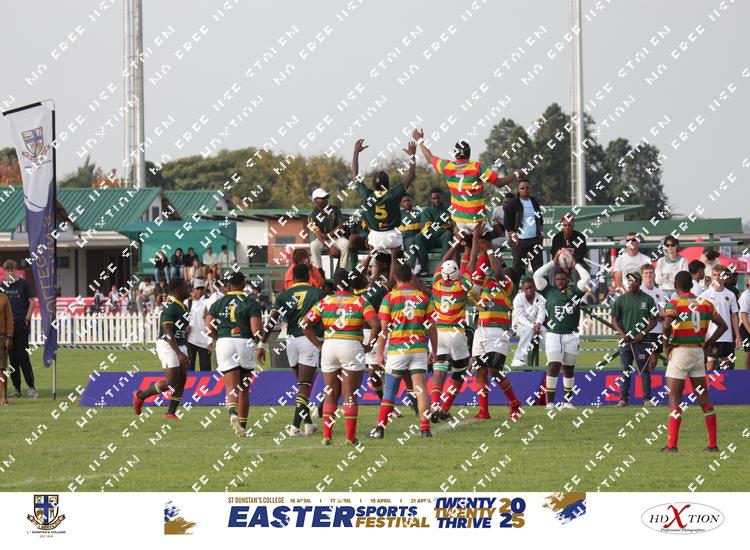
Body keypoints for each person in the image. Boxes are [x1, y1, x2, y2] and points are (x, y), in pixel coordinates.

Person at [414, 130, 522, 275]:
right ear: (469, 154)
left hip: (460, 220)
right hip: (476, 220)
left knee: (466, 247)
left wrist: (420, 140)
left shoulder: (447, 166)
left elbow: (429, 157)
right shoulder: (477, 167)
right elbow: (499, 182)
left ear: (455, 154)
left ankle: (458, 276)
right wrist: (517, 174)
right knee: (487, 249)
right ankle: (491, 280)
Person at [303, 268, 380, 445]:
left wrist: (318, 345)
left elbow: (305, 324)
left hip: (329, 346)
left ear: (335, 284)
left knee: (330, 392)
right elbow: (376, 325)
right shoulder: (360, 301)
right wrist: (370, 345)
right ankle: (350, 437)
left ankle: (327, 436)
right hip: (352, 345)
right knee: (350, 394)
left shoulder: (325, 301)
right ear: (351, 283)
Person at [661, 271, 727, 453]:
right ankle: (712, 445)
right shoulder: (705, 303)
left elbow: (666, 325)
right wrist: (709, 343)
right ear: (691, 285)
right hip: (698, 354)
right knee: (704, 399)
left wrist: (666, 345)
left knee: (675, 399)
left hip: (680, 353)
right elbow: (723, 325)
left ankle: (672, 446)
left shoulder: (675, 303)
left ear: (676, 286)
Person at [370, 262, 438, 439]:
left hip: (398, 350)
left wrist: (379, 353)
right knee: (421, 390)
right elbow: (432, 328)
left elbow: (384, 331)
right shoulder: (423, 298)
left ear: (394, 277)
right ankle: (425, 429)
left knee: (390, 391)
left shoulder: (389, 298)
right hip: (419, 348)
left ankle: (380, 429)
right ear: (411, 277)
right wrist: (434, 351)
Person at [259, 263, 327, 437]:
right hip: (309, 339)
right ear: (309, 276)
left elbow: (272, 321)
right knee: (304, 386)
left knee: (301, 385)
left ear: (293, 277)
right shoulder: (318, 293)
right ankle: (295, 427)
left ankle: (308, 424)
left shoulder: (284, 295)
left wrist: (261, 344)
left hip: (290, 341)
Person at [427, 231, 479, 422]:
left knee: (439, 371)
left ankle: (434, 405)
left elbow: (443, 260)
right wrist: (475, 238)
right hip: (456, 332)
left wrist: (456, 242)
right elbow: (472, 262)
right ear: (457, 274)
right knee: (459, 372)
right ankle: (445, 408)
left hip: (438, 333)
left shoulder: (436, 283)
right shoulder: (461, 285)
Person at [469, 235, 523, 420]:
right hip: (481, 331)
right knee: (480, 370)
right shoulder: (487, 284)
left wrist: (490, 249)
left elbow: (498, 273)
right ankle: (483, 411)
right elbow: (479, 271)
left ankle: (514, 403)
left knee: (495, 370)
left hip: (498, 333)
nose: (501, 272)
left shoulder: (508, 287)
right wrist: (481, 248)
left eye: (507, 272)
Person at [205, 272, 263, 437]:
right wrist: (259, 344)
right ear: (243, 284)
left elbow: (208, 328)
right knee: (244, 389)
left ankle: (232, 413)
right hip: (244, 342)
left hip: (225, 343)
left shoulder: (218, 303)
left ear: (228, 285)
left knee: (231, 387)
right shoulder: (251, 303)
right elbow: (256, 331)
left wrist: (219, 337)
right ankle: (243, 426)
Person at [533, 251, 592, 409]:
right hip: (553, 334)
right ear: (554, 280)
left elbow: (587, 278)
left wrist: (576, 264)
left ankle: (567, 402)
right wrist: (553, 262)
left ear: (568, 279)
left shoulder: (575, 292)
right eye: (557, 279)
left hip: (571, 335)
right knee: (553, 366)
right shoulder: (549, 291)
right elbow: (537, 275)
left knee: (568, 369)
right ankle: (550, 402)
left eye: (563, 279)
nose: (560, 281)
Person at [132, 278, 191, 420]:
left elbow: (181, 330)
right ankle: (140, 396)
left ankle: (170, 413)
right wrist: (179, 353)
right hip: (168, 344)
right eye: (185, 287)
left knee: (182, 379)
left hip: (180, 344)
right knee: (171, 382)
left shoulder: (183, 306)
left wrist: (185, 347)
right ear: (177, 289)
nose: (188, 289)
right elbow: (168, 332)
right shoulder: (170, 307)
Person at [352, 139, 416, 262]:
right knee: (396, 261)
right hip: (392, 235)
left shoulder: (367, 195)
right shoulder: (393, 194)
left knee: (374, 261)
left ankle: (365, 271)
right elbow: (411, 174)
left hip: (375, 236)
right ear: (388, 183)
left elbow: (355, 177)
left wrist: (355, 152)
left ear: (373, 184)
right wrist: (412, 155)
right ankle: (395, 271)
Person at [611, 271, 658, 407]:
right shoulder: (621, 299)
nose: (630, 283)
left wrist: (642, 333)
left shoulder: (648, 299)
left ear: (639, 282)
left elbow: (654, 320)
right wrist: (622, 334)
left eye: (634, 281)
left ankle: (647, 399)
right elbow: (614, 319)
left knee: (644, 370)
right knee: (625, 370)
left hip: (643, 340)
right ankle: (623, 399)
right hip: (626, 341)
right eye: (629, 281)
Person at [0, 261, 36, 398]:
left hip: (21, 323)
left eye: (12, 270)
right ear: (4, 272)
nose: (10, 273)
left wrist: (27, 318)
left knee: (23, 357)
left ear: (16, 271)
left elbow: (32, 301)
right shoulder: (2, 286)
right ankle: (17, 388)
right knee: (12, 359)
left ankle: (31, 387)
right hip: (8, 328)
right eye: (7, 271)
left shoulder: (24, 284)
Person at [700, 266, 741, 371]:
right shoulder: (705, 295)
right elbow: (700, 316)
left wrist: (737, 335)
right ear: (711, 276)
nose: (717, 277)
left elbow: (734, 316)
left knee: (727, 367)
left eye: (720, 275)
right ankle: (709, 382)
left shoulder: (730, 295)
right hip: (711, 336)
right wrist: (702, 334)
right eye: (714, 275)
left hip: (727, 337)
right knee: (711, 365)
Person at [504, 179, 544, 279]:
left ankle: (539, 289)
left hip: (535, 240)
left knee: (538, 270)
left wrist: (541, 234)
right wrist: (514, 237)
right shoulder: (514, 204)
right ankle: (514, 289)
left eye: (527, 188)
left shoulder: (534, 202)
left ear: (530, 189)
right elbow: (507, 222)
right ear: (518, 190)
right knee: (517, 270)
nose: (525, 190)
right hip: (520, 242)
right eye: (522, 188)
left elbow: (540, 219)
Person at [412, 188, 453, 277]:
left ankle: (444, 268)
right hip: (431, 238)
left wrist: (438, 225)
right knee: (418, 237)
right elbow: (428, 229)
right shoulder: (427, 211)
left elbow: (450, 226)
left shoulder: (449, 209)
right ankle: (424, 269)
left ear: (441, 197)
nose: (436, 200)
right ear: (431, 199)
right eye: (434, 198)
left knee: (448, 234)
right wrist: (442, 224)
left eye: (438, 197)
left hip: (444, 238)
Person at [309, 187, 350, 271]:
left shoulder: (335, 209)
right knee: (313, 245)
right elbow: (319, 235)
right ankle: (319, 271)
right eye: (323, 198)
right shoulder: (311, 216)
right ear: (315, 200)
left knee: (346, 243)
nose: (326, 199)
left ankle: (342, 270)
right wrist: (329, 246)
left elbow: (342, 225)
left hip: (336, 238)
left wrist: (328, 235)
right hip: (322, 241)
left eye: (326, 197)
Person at [511, 278, 547, 368]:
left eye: (531, 288)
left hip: (536, 325)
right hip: (519, 325)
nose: (529, 290)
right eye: (527, 288)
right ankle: (518, 359)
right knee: (529, 330)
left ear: (535, 288)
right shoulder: (518, 298)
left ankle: (552, 359)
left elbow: (542, 313)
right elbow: (520, 317)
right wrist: (532, 326)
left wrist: (538, 324)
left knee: (544, 331)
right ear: (523, 289)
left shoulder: (540, 298)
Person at [640, 263, 668, 374]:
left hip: (657, 330)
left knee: (654, 361)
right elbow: (641, 313)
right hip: (644, 330)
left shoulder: (660, 293)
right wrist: (658, 315)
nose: (649, 275)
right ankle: (642, 381)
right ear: (642, 275)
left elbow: (663, 312)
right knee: (643, 361)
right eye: (646, 273)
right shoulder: (639, 291)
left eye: (651, 272)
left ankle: (649, 381)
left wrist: (658, 315)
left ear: (654, 275)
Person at [186, 280, 211, 371]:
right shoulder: (187, 303)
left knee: (205, 369)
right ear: (193, 289)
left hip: (204, 342)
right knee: (189, 368)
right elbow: (181, 319)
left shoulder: (208, 302)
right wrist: (185, 327)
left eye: (201, 289)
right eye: (198, 288)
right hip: (190, 340)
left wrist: (210, 340)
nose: (200, 291)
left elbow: (210, 321)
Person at [398, 193, 422, 270]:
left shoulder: (418, 212)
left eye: (408, 200)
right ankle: (408, 269)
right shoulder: (399, 213)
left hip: (414, 237)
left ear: (412, 201)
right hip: (402, 238)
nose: (406, 203)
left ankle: (412, 269)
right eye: (404, 201)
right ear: (401, 203)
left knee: (414, 242)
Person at [0, 290, 13, 405]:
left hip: (1, 337)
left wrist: (9, 336)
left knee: (1, 368)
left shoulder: (3, 298)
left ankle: (4, 397)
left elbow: (9, 318)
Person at [739, 283, 750, 370]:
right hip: (746, 328)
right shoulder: (745, 295)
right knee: (749, 354)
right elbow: (743, 315)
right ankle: (747, 375)